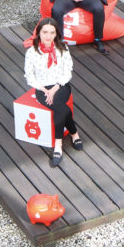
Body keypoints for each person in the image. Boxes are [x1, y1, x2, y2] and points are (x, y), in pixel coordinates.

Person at [24, 18, 82, 167]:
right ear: (39, 33)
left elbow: (67, 72)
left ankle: (58, 146)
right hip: (42, 88)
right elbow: (29, 77)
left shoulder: (63, 48)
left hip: (61, 86)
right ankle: (74, 133)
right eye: (45, 32)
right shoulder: (32, 52)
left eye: (52, 32)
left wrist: (55, 88)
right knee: (62, 109)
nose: (48, 36)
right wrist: (45, 90)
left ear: (56, 33)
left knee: (59, 106)